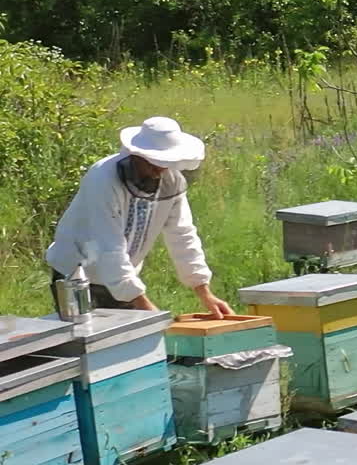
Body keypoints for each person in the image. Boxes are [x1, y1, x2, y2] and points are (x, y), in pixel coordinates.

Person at [46, 116, 232, 318]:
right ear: (136, 155)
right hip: (77, 276)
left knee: (129, 340)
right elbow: (109, 246)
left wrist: (204, 292)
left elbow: (182, 234)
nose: (158, 171)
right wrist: (143, 304)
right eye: (154, 163)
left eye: (165, 163)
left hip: (124, 277)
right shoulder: (102, 179)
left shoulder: (171, 180)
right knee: (89, 342)